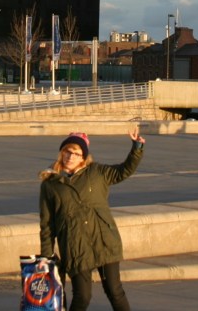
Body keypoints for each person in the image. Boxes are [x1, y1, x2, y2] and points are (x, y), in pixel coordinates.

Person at [39, 128, 145, 311]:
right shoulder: (50, 184)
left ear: (83, 157)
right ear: (61, 153)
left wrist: (136, 147)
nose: (70, 156)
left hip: (103, 239)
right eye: (67, 151)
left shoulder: (97, 173)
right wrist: (46, 255)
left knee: (115, 290)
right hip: (75, 246)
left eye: (76, 153)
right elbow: (47, 224)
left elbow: (124, 170)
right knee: (82, 296)